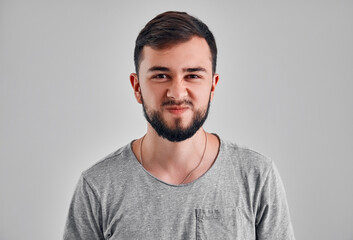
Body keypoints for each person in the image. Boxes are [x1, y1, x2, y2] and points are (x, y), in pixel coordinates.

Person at [63, 11, 295, 240]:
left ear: (212, 86)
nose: (177, 93)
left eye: (193, 75)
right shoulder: (98, 187)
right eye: (161, 76)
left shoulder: (257, 176)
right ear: (137, 87)